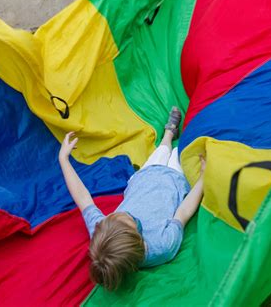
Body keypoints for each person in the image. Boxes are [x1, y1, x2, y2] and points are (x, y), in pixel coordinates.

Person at [58, 107, 206, 291]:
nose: (121, 212)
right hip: (175, 179)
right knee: (185, 147)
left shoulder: (104, 232)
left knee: (162, 149)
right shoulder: (163, 244)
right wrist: (202, 180)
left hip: (145, 175)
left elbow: (82, 198)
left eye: (114, 215)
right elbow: (183, 211)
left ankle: (169, 133)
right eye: (129, 218)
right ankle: (183, 133)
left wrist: (63, 159)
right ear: (138, 234)